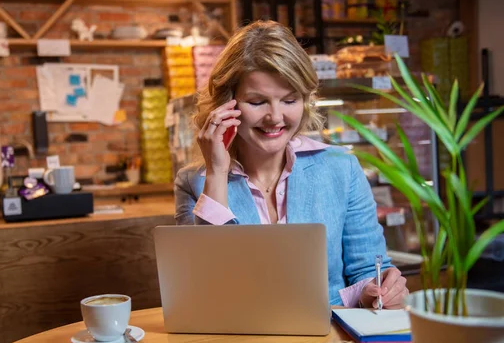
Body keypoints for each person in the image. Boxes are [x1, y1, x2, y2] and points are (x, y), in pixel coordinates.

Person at [174, 20, 409, 309]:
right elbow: (204, 286)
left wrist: (379, 289)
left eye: (289, 100)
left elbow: (366, 272)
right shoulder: (194, 183)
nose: (275, 117)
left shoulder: (341, 169)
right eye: (257, 102)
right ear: (227, 104)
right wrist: (218, 171)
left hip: (328, 342)